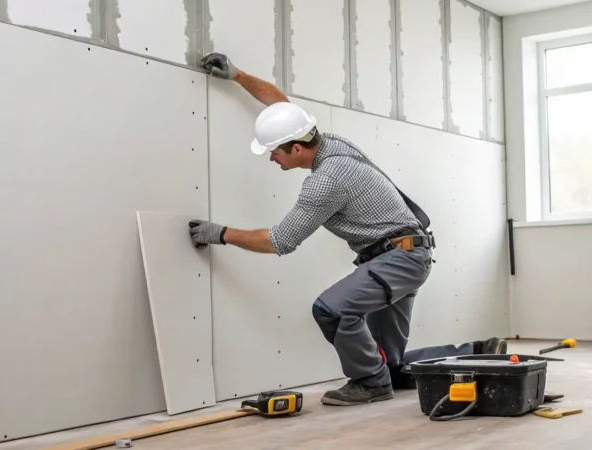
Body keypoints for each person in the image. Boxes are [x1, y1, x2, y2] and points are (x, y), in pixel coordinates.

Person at [190, 52, 507, 406]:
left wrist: (219, 233)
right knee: (393, 363)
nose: (270, 158)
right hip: (405, 255)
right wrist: (237, 74)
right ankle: (476, 352)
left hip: (397, 260)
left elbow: (279, 241)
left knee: (331, 310)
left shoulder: (324, 182)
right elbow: (281, 105)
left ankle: (371, 383)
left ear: (296, 148)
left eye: (274, 152)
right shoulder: (330, 143)